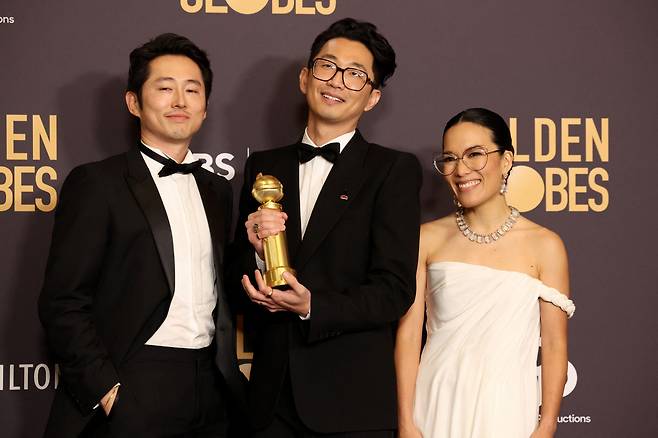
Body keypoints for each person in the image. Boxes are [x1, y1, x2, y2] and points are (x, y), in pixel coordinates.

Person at [38, 33, 245, 437]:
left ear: (205, 107)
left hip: (209, 384)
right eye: (164, 88)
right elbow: (62, 300)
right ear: (134, 102)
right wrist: (108, 391)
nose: (180, 101)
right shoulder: (98, 183)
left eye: (192, 90)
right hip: (134, 380)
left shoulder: (217, 190)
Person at [231, 18, 422, 437]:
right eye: (327, 66)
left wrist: (312, 306)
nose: (336, 81)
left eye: (355, 75)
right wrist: (257, 256)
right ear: (305, 77)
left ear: (372, 98)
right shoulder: (263, 165)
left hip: (350, 404)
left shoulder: (393, 170)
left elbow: (394, 290)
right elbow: (235, 279)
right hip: (269, 401)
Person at [395, 108, 575, 438]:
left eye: (475, 155)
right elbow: (408, 337)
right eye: (450, 159)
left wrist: (546, 425)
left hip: (507, 408)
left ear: (506, 160)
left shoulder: (545, 245)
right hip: (436, 402)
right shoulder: (426, 238)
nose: (461, 170)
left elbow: (553, 344)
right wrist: (407, 422)